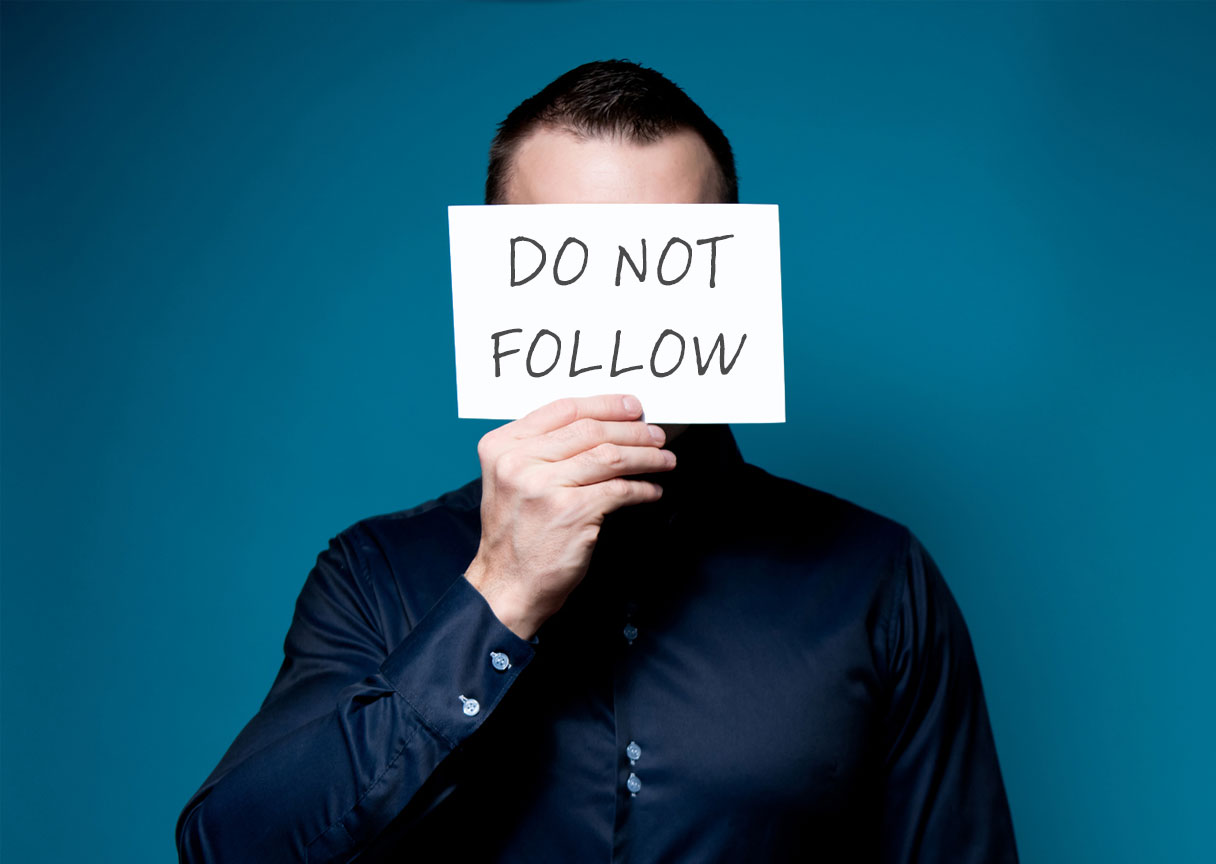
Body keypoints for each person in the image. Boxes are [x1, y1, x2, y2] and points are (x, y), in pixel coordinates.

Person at [175, 59, 1018, 863]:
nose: (624, 319)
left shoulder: (878, 583)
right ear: (495, 288)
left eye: (668, 260)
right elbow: (230, 848)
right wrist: (498, 597)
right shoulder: (376, 576)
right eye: (569, 261)